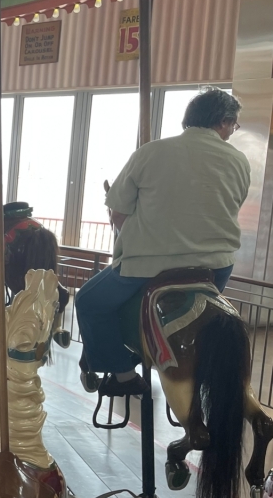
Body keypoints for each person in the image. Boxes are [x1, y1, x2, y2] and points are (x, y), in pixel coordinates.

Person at [74, 88, 250, 396]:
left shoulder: (151, 152)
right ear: (223, 122)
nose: (232, 132)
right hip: (216, 267)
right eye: (234, 126)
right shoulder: (239, 161)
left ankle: (122, 375)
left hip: (150, 264)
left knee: (88, 301)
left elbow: (117, 212)